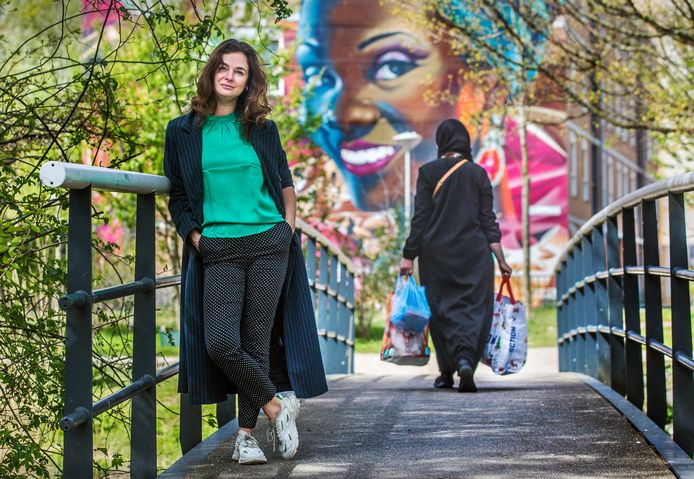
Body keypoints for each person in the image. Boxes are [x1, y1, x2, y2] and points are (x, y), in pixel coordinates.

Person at [164, 38, 327, 465]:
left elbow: (284, 180)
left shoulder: (261, 128)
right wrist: (196, 238)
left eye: (239, 71)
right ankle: (277, 407)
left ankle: (246, 437)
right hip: (218, 245)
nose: (229, 76)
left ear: (248, 80)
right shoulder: (182, 131)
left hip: (268, 242)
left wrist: (287, 228)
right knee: (220, 342)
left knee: (255, 343)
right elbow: (178, 195)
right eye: (223, 67)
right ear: (211, 72)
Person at [399, 119, 512, 393]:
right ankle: (465, 362)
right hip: (474, 255)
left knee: (441, 311)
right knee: (473, 309)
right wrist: (500, 257)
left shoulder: (428, 172)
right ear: (464, 142)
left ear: (441, 142)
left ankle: (446, 371)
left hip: (436, 257)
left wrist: (408, 255)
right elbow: (488, 220)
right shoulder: (478, 174)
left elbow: (421, 218)